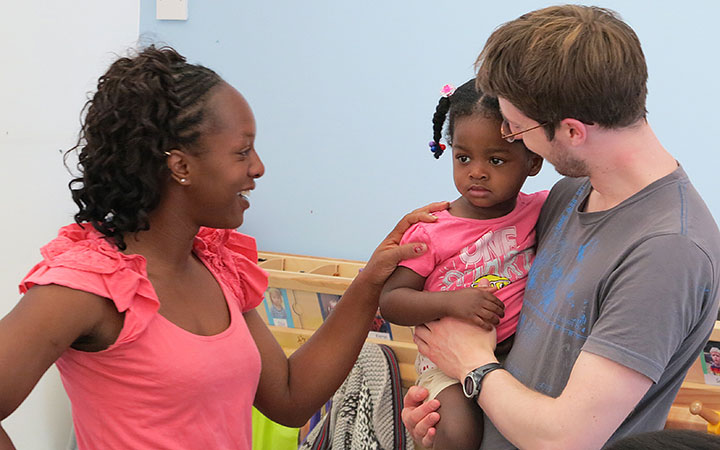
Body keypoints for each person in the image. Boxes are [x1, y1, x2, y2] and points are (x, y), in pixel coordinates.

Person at [0, 45, 447, 449]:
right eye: (241, 152)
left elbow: (289, 398)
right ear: (181, 166)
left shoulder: (216, 267)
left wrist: (370, 281)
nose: (258, 168)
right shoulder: (87, 286)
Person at [402, 5, 720, 449]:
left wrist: (470, 364)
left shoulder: (669, 251)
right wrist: (444, 416)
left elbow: (566, 438)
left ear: (571, 131)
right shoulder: (568, 195)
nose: (514, 138)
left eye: (517, 128)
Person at [379, 79, 544, 449]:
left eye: (496, 159)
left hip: (513, 357)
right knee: (458, 434)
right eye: (463, 157)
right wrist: (454, 302)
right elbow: (391, 301)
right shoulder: (434, 228)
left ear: (533, 160)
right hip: (446, 362)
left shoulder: (540, 210)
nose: (477, 171)